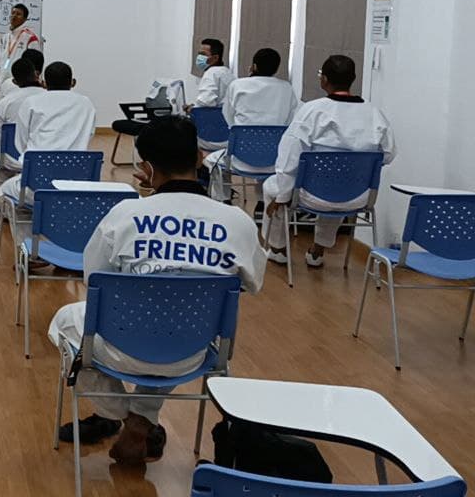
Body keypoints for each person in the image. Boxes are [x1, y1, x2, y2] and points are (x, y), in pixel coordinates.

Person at [50, 116, 264, 464]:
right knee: (173, 325)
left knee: (66, 322)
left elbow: (95, 279)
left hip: (124, 346)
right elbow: (254, 283)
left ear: (146, 169)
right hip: (194, 349)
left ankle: (124, 416)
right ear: (199, 157)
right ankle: (143, 417)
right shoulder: (237, 221)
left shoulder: (124, 215)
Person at [261, 55, 395, 268]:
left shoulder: (312, 110)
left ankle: (278, 249)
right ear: (353, 79)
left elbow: (289, 156)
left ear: (323, 79)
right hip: (357, 197)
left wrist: (283, 196)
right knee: (340, 182)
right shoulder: (375, 114)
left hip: (312, 195)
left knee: (273, 188)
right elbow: (388, 155)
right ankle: (318, 251)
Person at [0, 61, 97, 248]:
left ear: (44, 82)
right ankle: (62, 243)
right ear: (72, 82)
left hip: (36, 184)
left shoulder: (32, 103)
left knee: (3, 191)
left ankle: (29, 248)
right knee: (55, 199)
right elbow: (89, 135)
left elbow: (21, 143)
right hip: (76, 186)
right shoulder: (86, 104)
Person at [204, 48, 301, 201]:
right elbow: (290, 122)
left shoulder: (237, 85)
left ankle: (224, 200)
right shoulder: (286, 88)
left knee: (211, 160)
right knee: (268, 148)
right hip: (275, 160)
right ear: (276, 69)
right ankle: (262, 202)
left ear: (254, 66)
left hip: (240, 159)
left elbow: (228, 117)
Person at [0, 55, 44, 172]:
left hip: (12, 159)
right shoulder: (48, 97)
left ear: (15, 82)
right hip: (43, 158)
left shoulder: (6, 102)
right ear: (36, 75)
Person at [0, 3, 41, 94]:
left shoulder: (30, 37)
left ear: (25, 19)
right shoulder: (5, 38)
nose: (14, 16)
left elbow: (35, 64)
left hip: (20, 85)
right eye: (13, 13)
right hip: (4, 84)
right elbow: (2, 63)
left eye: (18, 14)